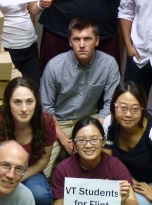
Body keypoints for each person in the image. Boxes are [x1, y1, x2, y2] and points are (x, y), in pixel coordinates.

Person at [40, 17, 120, 178]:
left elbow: (110, 104)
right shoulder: (54, 66)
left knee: (103, 165)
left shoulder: (109, 64)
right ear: (70, 41)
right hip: (59, 122)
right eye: (77, 39)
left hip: (91, 117)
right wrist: (64, 140)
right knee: (44, 173)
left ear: (97, 41)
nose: (82, 45)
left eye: (87, 39)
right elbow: (46, 109)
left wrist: (96, 128)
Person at [0, 77, 56, 205]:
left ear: (36, 103)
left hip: (29, 171)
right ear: (8, 104)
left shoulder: (46, 123)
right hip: (1, 175)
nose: (24, 109)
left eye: (29, 102)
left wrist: (18, 178)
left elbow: (43, 160)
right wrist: (8, 182)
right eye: (17, 102)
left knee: (41, 196)